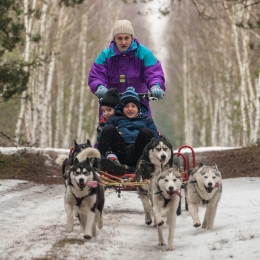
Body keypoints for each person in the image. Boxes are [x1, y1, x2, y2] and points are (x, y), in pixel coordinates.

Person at [88, 19, 165, 119]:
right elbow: (96, 75)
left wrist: (156, 85)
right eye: (119, 38)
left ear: (132, 38)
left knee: (145, 133)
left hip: (139, 107)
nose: (123, 42)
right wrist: (99, 87)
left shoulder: (144, 54)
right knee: (107, 132)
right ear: (114, 39)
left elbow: (154, 73)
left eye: (126, 38)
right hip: (112, 109)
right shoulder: (105, 56)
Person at [97, 87, 160, 174]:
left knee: (146, 131)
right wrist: (113, 134)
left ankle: (150, 165)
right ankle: (101, 163)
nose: (130, 109)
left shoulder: (147, 120)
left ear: (138, 108)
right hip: (121, 151)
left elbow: (156, 139)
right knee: (109, 129)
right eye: (126, 106)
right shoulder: (114, 120)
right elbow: (101, 138)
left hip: (140, 153)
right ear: (122, 108)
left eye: (133, 106)